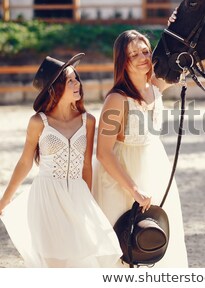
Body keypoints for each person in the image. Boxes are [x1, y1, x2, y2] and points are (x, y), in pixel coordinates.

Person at [0, 54, 122, 267]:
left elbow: (86, 165)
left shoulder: (88, 121)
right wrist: (4, 199)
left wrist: (87, 199)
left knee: (82, 259)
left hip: (77, 194)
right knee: (53, 263)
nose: (77, 84)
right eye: (70, 80)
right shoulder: (38, 122)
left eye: (77, 78)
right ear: (54, 88)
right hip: (46, 196)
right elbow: (24, 162)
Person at [92, 30, 188, 267]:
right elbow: (103, 152)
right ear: (123, 61)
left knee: (154, 236)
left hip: (155, 169)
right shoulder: (117, 99)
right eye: (133, 54)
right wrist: (134, 190)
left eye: (145, 51)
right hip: (122, 179)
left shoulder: (155, 85)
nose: (142, 57)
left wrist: (176, 22)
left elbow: (184, 57)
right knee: (125, 244)